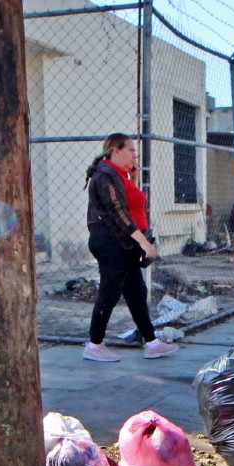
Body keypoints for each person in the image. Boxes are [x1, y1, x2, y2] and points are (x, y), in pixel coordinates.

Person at [82, 133, 178, 362]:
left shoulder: (117, 175)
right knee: (110, 292)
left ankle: (152, 343)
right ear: (116, 150)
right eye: (131, 150)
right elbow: (118, 213)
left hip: (122, 242)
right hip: (110, 240)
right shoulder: (105, 174)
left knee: (136, 292)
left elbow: (129, 204)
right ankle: (94, 345)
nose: (135, 155)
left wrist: (133, 179)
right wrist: (143, 242)